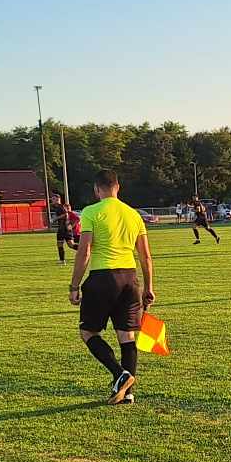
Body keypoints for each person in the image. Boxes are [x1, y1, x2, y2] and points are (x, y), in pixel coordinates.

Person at [68, 170, 154, 405]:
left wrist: (74, 285)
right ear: (118, 187)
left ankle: (120, 374)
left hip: (102, 277)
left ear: (97, 189)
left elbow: (85, 251)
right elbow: (145, 256)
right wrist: (148, 287)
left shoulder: (91, 212)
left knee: (88, 332)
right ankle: (127, 393)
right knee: (127, 336)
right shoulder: (133, 214)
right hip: (130, 279)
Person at [49, 194, 77, 264]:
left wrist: (55, 219)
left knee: (60, 244)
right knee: (71, 245)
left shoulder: (60, 207)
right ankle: (86, 250)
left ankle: (62, 260)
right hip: (65, 228)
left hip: (62, 229)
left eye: (53, 199)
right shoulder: (58, 207)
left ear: (57, 199)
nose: (52, 200)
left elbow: (65, 214)